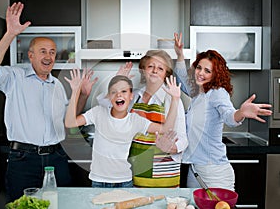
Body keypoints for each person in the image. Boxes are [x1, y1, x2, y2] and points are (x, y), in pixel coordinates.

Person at [0, 2, 96, 202]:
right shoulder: (15, 77)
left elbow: (67, 119)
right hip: (24, 159)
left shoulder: (57, 85)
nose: (49, 56)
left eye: (52, 52)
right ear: (31, 56)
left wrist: (83, 95)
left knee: (62, 207)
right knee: (21, 208)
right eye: (43, 51)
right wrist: (10, 34)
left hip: (56, 157)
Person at [172, 32, 272, 190]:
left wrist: (241, 112)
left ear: (215, 75)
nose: (201, 73)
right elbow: (182, 80)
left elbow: (229, 117)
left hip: (214, 172)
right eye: (199, 68)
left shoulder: (217, 92)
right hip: (195, 169)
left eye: (207, 71)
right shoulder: (199, 93)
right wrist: (179, 55)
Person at [64, 70, 181, 188]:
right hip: (99, 181)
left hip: (124, 182)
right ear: (109, 97)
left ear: (131, 96)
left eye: (124, 91)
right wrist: (75, 91)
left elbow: (166, 128)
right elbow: (70, 123)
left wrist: (175, 99)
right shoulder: (98, 112)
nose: (119, 95)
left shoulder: (135, 120)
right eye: (114, 92)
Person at [118, 50, 188, 188]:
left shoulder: (171, 98)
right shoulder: (135, 96)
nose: (155, 70)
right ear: (143, 70)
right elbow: (110, 111)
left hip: (163, 171)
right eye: (151, 66)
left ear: (166, 74)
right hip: (136, 169)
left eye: (160, 68)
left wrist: (172, 147)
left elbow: (183, 138)